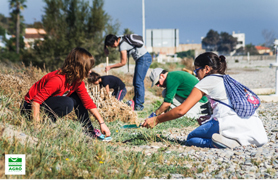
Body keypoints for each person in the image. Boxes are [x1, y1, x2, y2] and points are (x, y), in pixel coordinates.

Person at [143, 52, 268, 149]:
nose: (196, 74)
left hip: (229, 124)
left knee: (191, 138)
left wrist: (156, 119)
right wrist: (210, 117)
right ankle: (231, 139)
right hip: (255, 128)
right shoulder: (227, 78)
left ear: (206, 69)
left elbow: (181, 111)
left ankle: (225, 142)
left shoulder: (206, 81)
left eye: (197, 70)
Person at [21, 47, 111, 140]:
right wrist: (36, 127)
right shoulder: (58, 80)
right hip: (30, 108)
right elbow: (36, 101)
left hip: (44, 104)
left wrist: (102, 123)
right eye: (88, 68)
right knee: (67, 102)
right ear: (79, 68)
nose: (90, 72)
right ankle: (45, 123)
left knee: (78, 97)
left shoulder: (77, 82)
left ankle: (88, 130)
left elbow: (88, 102)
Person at [104, 34, 152, 111]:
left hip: (143, 58)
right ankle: (136, 103)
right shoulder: (120, 37)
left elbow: (123, 62)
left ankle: (139, 106)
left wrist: (110, 67)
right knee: (136, 82)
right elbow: (108, 38)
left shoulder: (122, 46)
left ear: (115, 41)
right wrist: (105, 47)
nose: (112, 47)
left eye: (112, 45)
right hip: (143, 58)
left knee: (138, 82)